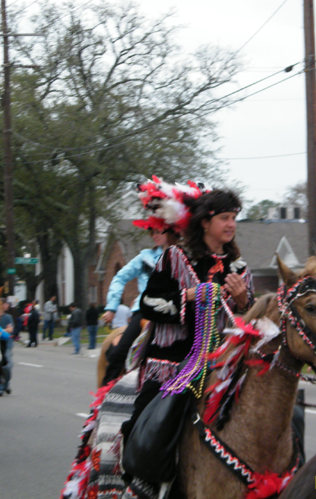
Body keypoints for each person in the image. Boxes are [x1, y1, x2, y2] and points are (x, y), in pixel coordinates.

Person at [122, 187, 255, 446]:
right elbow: (148, 304)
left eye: (233, 218)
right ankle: (134, 464)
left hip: (220, 365)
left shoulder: (239, 268)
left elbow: (249, 320)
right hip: (171, 363)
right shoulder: (175, 257)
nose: (231, 224)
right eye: (224, 218)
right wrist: (190, 295)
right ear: (205, 222)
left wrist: (243, 302)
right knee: (147, 432)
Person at [101, 214, 180, 386]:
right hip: (145, 312)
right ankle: (105, 395)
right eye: (152, 232)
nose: (154, 235)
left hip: (176, 312)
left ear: (171, 230)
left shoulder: (185, 257)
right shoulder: (145, 258)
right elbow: (120, 277)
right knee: (119, 353)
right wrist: (112, 307)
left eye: (159, 231)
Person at [0, 298, 14, 396]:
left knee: (8, 366)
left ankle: (6, 384)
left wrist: (0, 331)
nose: (7, 305)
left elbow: (10, 330)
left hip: (7, 344)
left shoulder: (8, 317)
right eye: (5, 304)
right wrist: (4, 331)